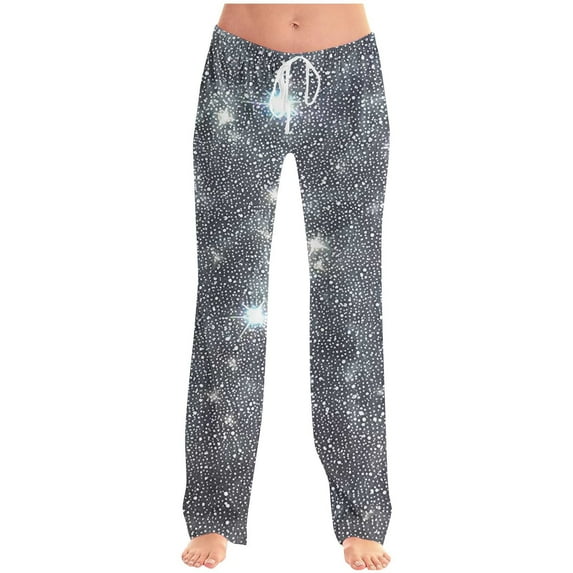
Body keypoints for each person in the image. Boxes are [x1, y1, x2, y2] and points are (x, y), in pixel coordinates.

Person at [181, 4, 392, 570]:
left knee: (350, 298)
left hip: (347, 79)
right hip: (239, 71)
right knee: (230, 298)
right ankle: (213, 509)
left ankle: (362, 514)